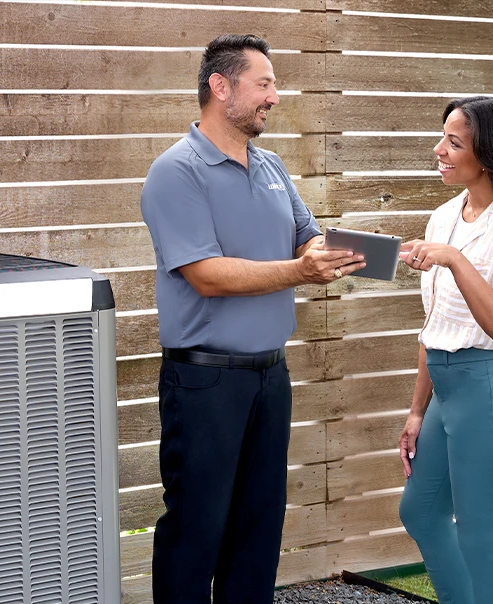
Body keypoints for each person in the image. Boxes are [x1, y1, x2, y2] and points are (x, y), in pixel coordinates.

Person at [139, 34, 365, 603]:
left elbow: (307, 237)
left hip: (270, 376)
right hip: (205, 380)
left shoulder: (271, 166)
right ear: (221, 87)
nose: (275, 97)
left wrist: (381, 253)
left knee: (259, 528)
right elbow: (206, 274)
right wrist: (300, 272)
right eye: (263, 84)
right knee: (197, 528)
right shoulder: (176, 172)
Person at [396, 96, 493, 604]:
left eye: (454, 142)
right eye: (442, 137)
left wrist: (456, 261)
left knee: (481, 539)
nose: (438, 149)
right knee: (420, 512)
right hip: (446, 392)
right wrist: (417, 410)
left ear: (487, 154)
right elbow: (435, 324)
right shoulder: (443, 217)